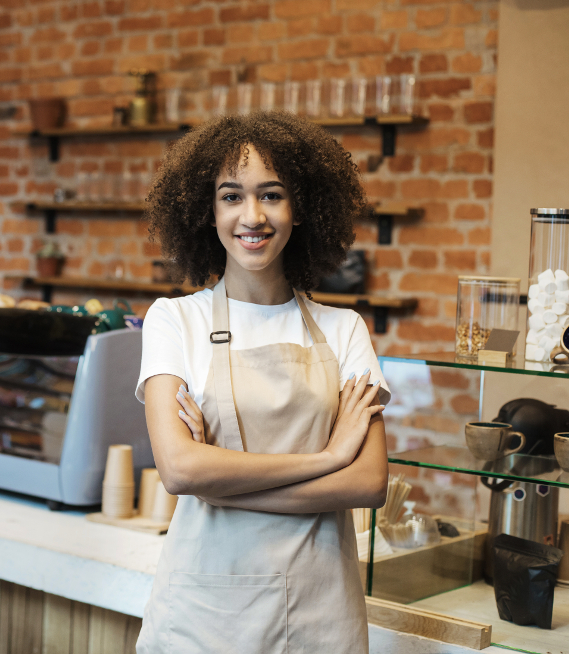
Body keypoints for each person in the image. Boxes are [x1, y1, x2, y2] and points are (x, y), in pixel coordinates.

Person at [135, 110, 391, 653]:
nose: (252, 216)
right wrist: (327, 458)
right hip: (206, 615)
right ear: (206, 211)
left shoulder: (344, 330)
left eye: (271, 194)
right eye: (231, 196)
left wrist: (222, 486)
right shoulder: (174, 320)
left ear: (302, 210)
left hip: (321, 612)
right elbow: (180, 469)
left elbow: (367, 484)